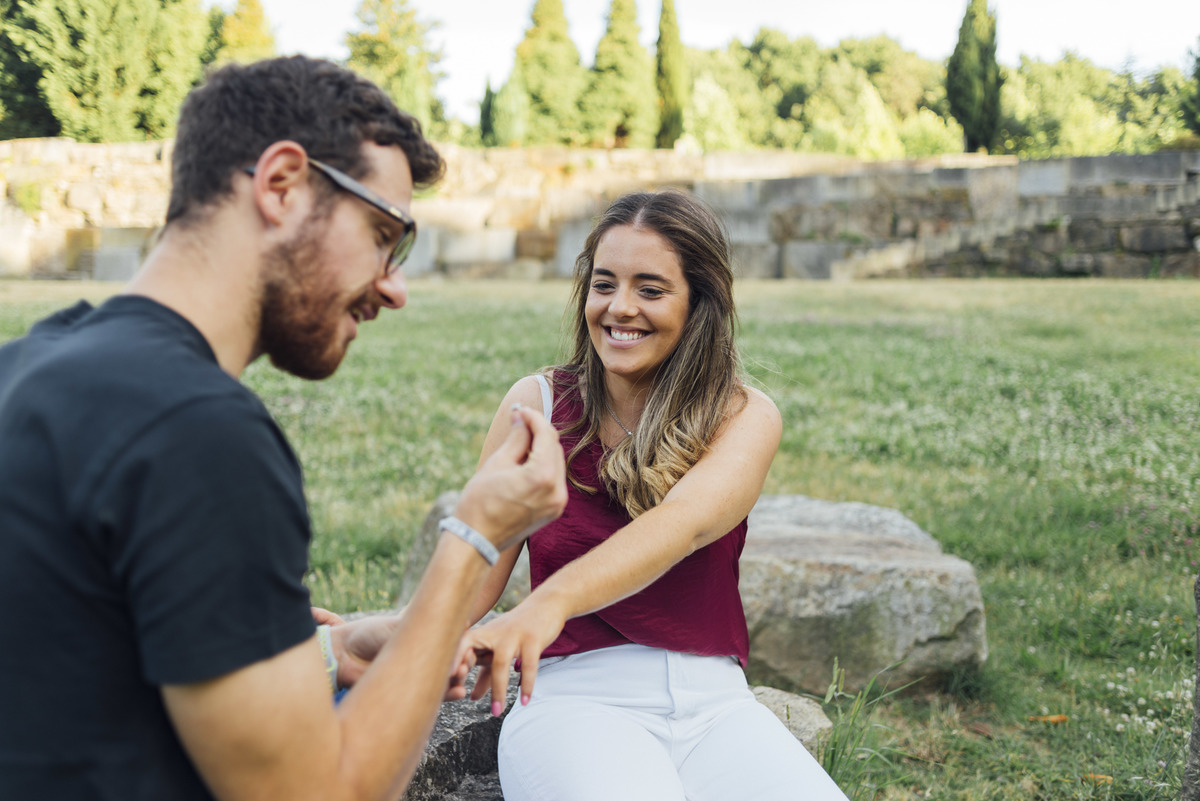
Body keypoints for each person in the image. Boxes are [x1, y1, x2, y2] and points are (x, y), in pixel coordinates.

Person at [0, 56, 566, 801]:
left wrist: (330, 653)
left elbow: (87, 652)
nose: (394, 286)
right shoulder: (200, 434)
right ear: (281, 185)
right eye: (382, 234)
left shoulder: (35, 361)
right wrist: (473, 538)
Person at [460, 190, 849, 800]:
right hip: (577, 703)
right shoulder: (535, 405)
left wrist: (546, 603)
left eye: (650, 289)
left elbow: (683, 524)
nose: (619, 308)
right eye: (604, 283)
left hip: (719, 709)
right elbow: (476, 565)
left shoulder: (743, 415)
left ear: (699, 303)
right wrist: (388, 635)